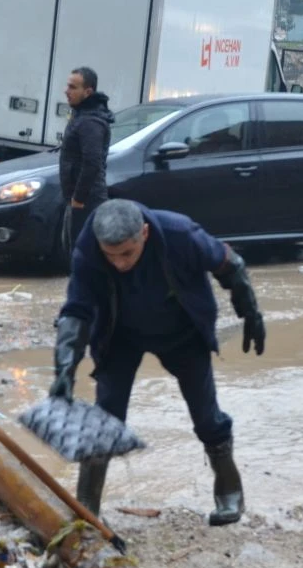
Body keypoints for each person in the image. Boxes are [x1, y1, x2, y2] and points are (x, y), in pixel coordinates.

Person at [49, 199, 265, 526]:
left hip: (182, 331)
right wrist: (64, 369)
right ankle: (87, 507)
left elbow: (229, 263)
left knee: (206, 415)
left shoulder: (180, 234)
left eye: (127, 253)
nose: (119, 263)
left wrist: (249, 311)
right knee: (105, 417)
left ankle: (229, 491)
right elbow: (77, 311)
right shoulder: (88, 251)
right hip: (118, 335)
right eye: (111, 255)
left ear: (145, 233)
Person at [58, 66, 114, 252]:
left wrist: (78, 199)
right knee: (75, 253)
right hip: (77, 198)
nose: (67, 91)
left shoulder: (91, 121)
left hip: (87, 201)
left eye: (73, 87)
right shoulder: (81, 114)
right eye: (68, 86)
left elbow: (92, 162)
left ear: (88, 91)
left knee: (83, 255)